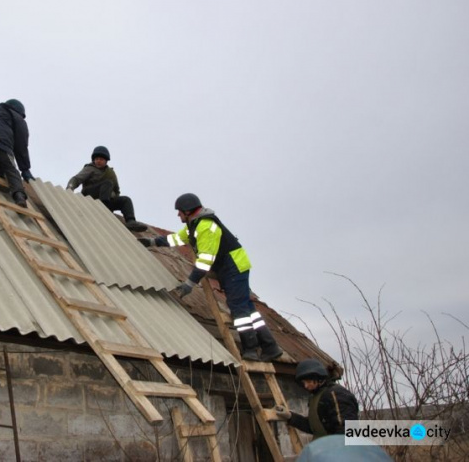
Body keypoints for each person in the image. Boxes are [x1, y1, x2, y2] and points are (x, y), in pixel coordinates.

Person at [137, 193, 283, 361]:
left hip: (233, 267)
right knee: (247, 308)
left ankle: (250, 349)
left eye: (179, 211)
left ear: (187, 211)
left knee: (238, 307)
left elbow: (205, 262)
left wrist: (189, 284)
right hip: (231, 266)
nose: (178, 215)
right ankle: (270, 346)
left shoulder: (205, 227)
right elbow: (176, 238)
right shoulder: (195, 225)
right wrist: (152, 242)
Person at [66, 146, 148, 232]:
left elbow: (117, 190)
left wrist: (112, 196)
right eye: (96, 159)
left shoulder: (110, 173)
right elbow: (76, 179)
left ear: (106, 161)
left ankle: (131, 221)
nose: (98, 161)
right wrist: (70, 188)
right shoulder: (90, 168)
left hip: (106, 199)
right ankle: (103, 208)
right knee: (107, 183)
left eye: (101, 159)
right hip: (89, 195)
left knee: (126, 200)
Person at [275, 359, 360, 439]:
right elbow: (314, 427)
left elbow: (346, 429)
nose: (306, 386)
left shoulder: (336, 394)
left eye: (308, 381)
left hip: (337, 450)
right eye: (304, 383)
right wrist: (290, 416)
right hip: (323, 448)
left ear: (318, 378)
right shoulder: (317, 396)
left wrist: (337, 451)